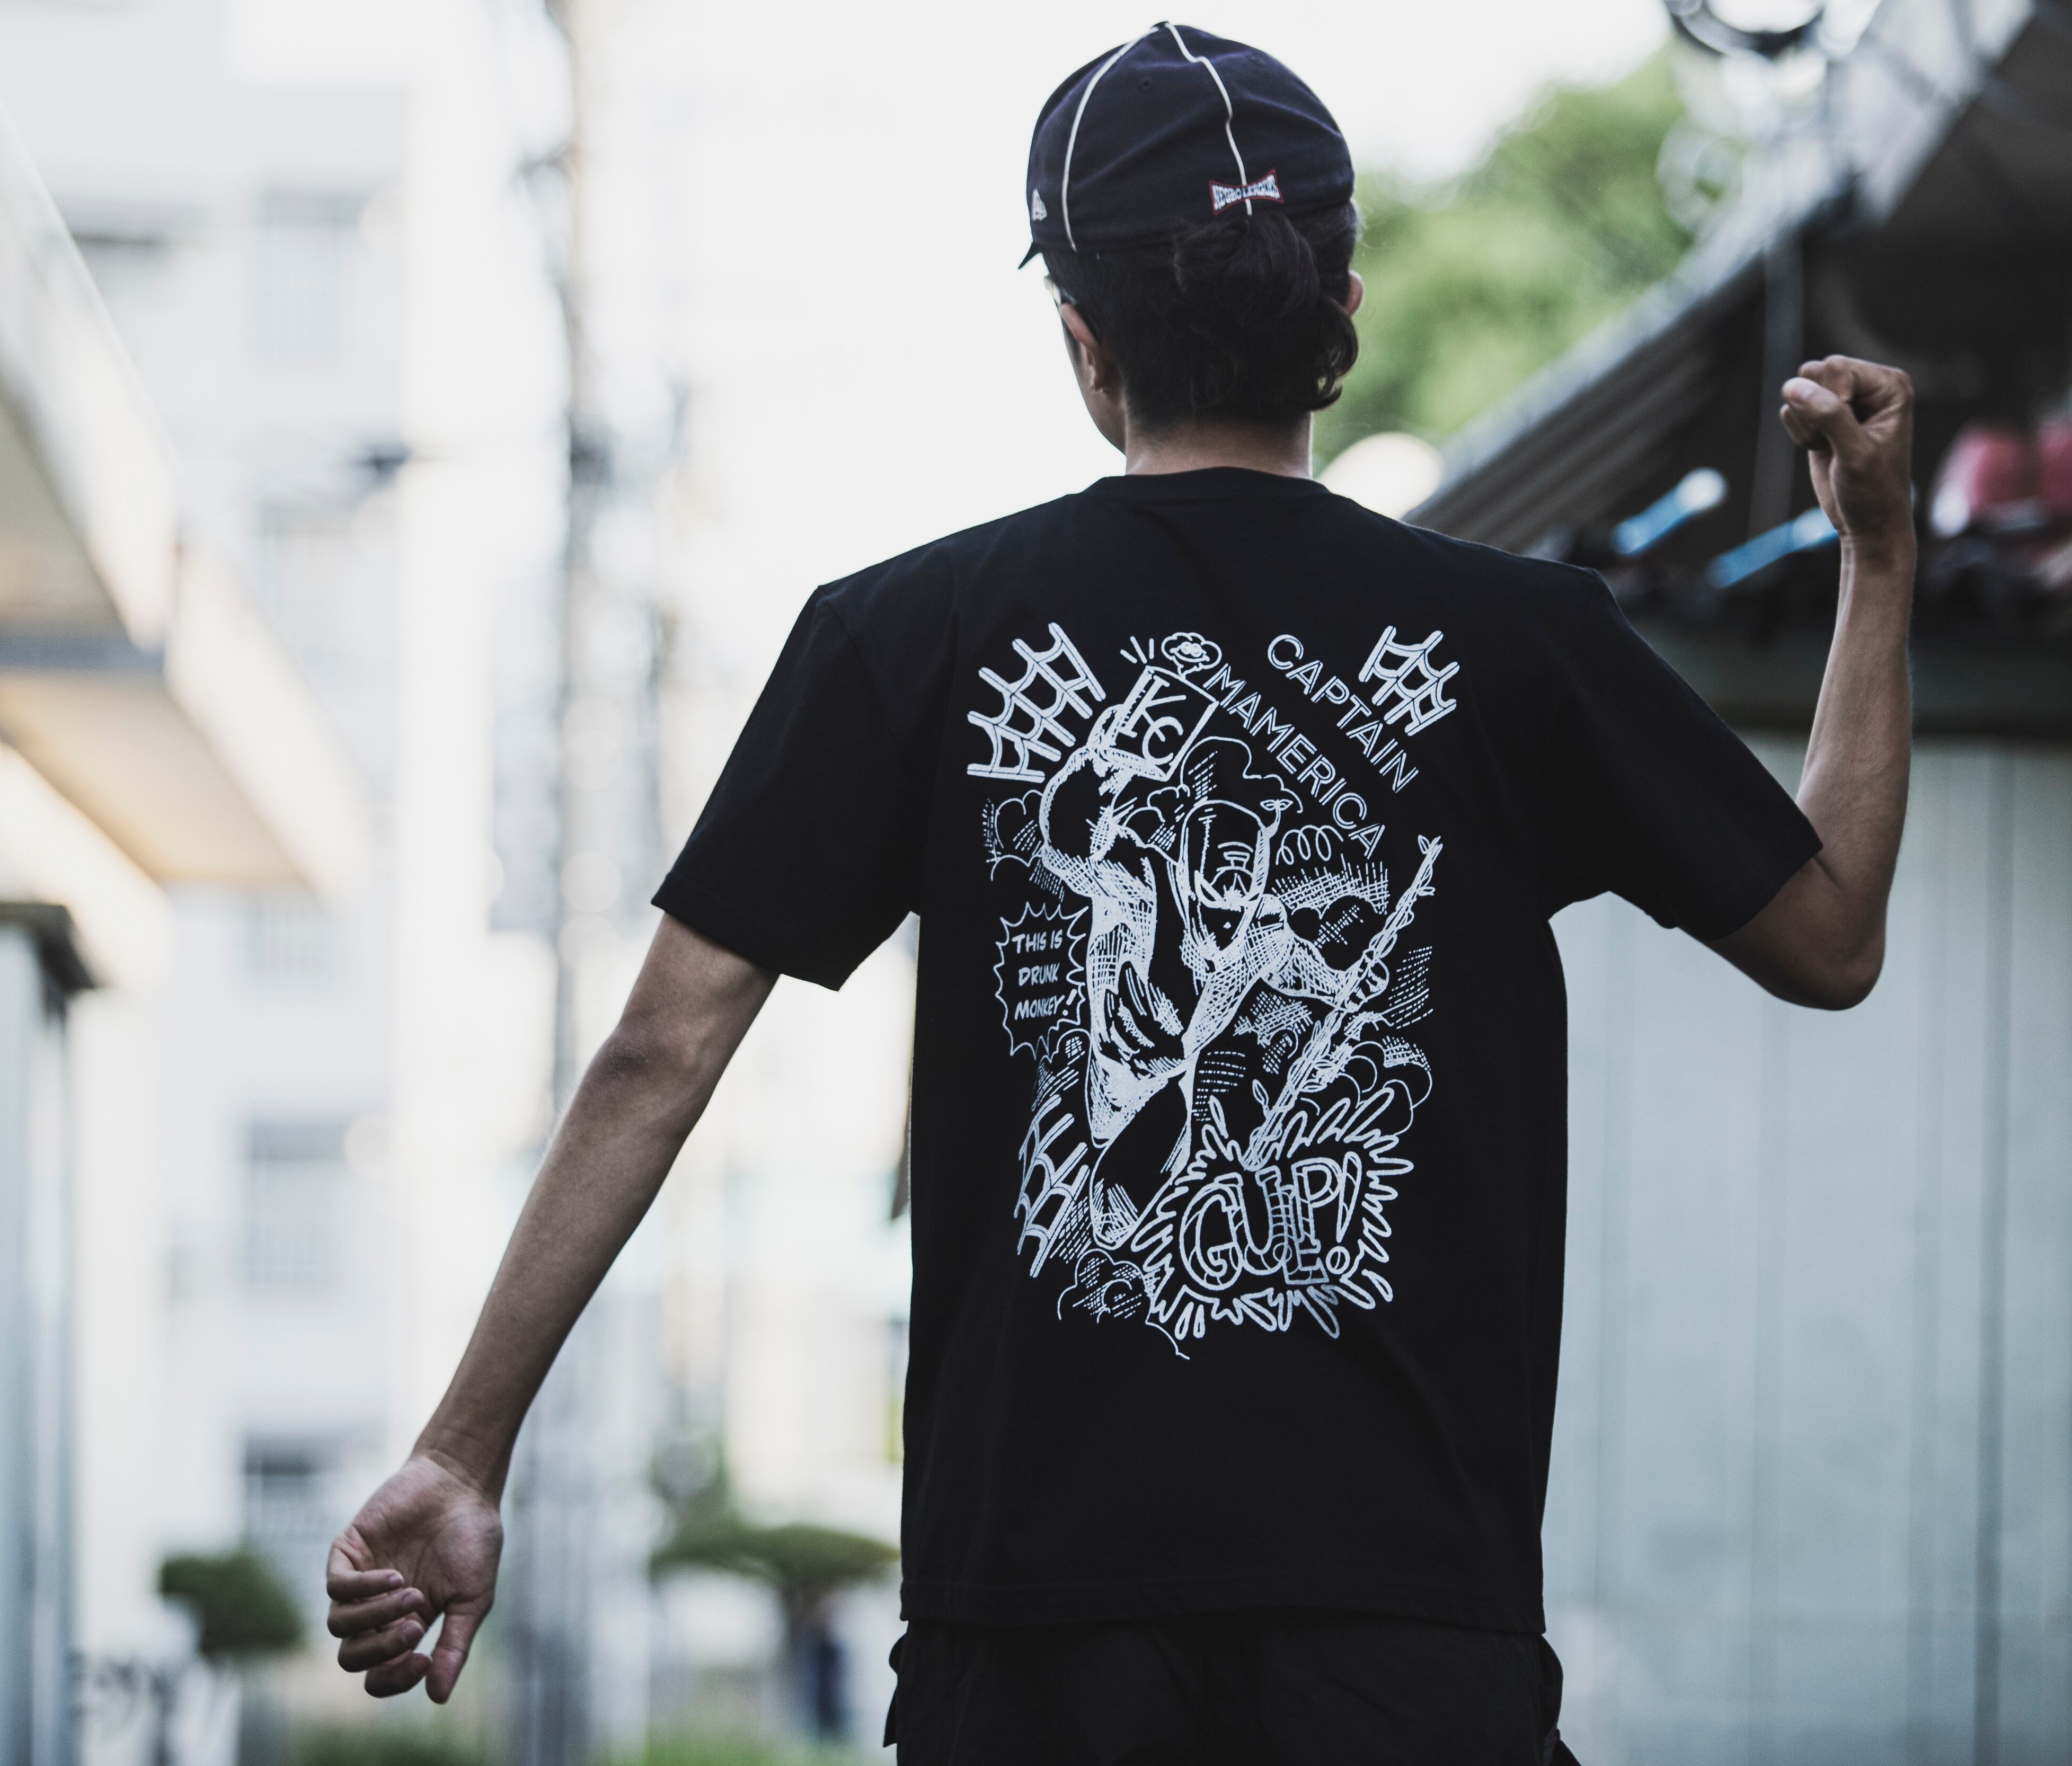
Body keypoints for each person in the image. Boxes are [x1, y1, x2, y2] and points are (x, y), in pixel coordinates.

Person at [324, 23, 1916, 1764]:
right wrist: (1878, 557)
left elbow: (662, 1047)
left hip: (1034, 1649)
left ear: (1084, 342)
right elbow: (1829, 933)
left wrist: (465, 1449)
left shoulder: (904, 634)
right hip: (1407, 1642)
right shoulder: (1522, 645)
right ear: (1344, 316)